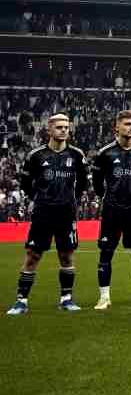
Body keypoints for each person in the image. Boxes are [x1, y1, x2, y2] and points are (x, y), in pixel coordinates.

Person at [8, 114, 89, 314]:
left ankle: (66, 299)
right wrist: (40, 198)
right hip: (42, 214)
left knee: (66, 256)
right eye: (59, 127)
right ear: (50, 129)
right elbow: (26, 184)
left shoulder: (77, 155)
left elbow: (83, 184)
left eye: (66, 127)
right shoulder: (36, 156)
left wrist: (73, 200)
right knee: (33, 255)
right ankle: (21, 301)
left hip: (66, 214)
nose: (64, 130)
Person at [92, 109, 131, 309]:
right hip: (111, 210)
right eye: (127, 124)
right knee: (106, 253)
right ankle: (104, 297)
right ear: (116, 127)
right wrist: (108, 198)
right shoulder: (105, 153)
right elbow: (96, 183)